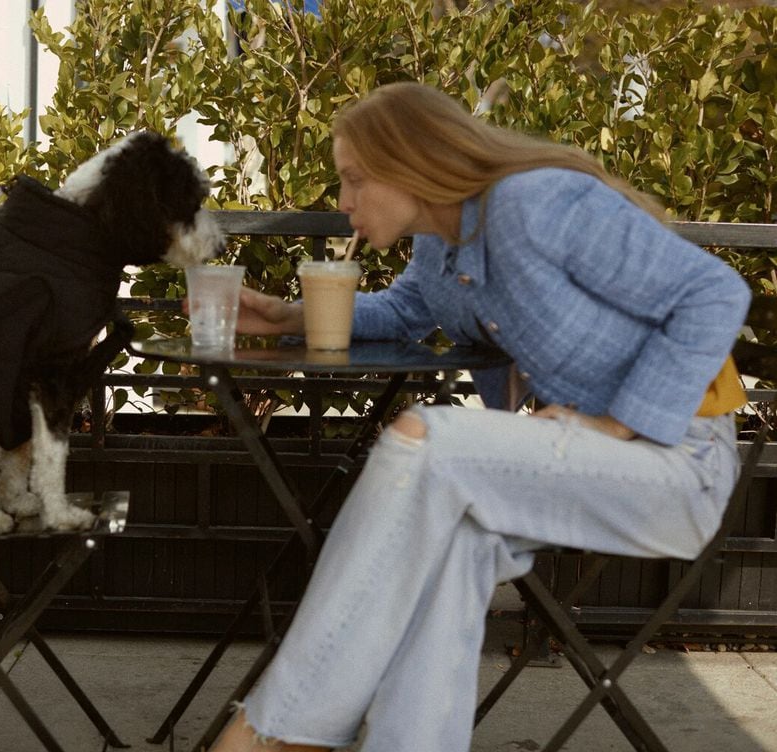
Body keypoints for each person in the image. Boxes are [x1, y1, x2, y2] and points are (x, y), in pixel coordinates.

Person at [209, 81, 751, 752]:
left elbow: (714, 292)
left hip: (678, 465)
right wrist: (289, 320)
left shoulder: (535, 203)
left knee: (425, 439)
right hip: (578, 465)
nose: (343, 201)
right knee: (451, 541)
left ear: (409, 162)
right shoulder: (439, 247)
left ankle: (275, 733)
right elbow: (404, 311)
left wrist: (618, 422)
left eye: (353, 179)